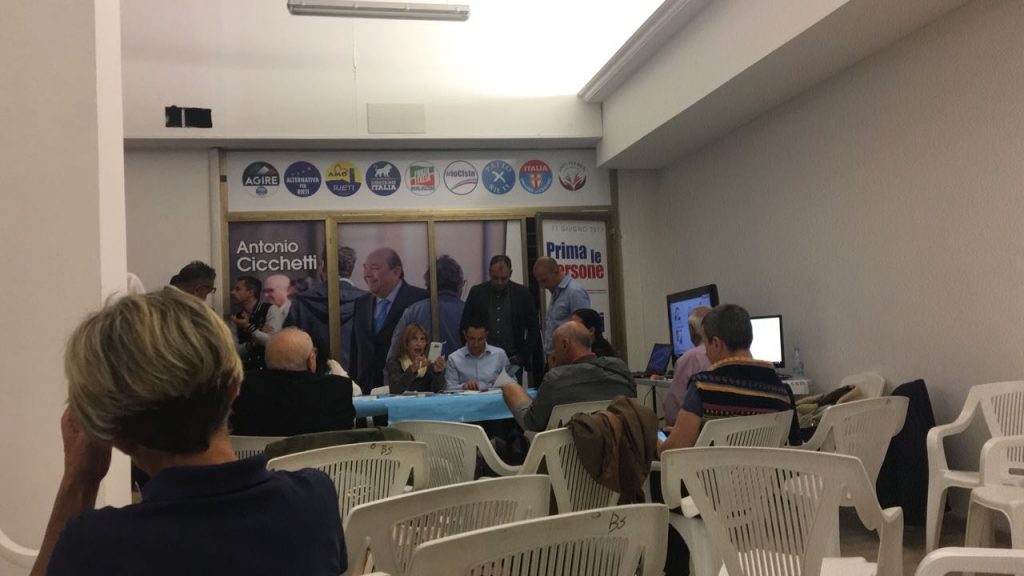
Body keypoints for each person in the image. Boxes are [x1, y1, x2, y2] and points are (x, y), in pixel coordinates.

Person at [31, 289, 346, 575]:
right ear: (234, 389)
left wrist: (78, 480)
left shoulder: (96, 546)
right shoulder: (314, 500)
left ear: (113, 433)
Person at [658, 304, 799, 454]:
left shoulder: (702, 388)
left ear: (717, 344)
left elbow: (674, 451)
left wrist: (657, 441)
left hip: (712, 469)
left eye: (706, 345)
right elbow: (794, 444)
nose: (706, 353)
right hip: (765, 468)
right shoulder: (782, 391)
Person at [502, 321, 635, 432]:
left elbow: (533, 425)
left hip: (563, 452)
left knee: (510, 388)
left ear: (565, 344)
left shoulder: (555, 379)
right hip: (615, 445)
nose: (553, 353)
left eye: (554, 347)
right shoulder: (619, 367)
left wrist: (553, 371)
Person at [231, 328, 355, 436]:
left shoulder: (243, 387)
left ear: (266, 359)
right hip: (323, 457)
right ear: (311, 360)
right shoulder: (338, 389)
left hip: (259, 457)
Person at [349, 247, 429, 394]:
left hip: (406, 392)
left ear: (396, 272)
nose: (367, 274)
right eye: (365, 268)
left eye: (375, 268)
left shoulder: (419, 300)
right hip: (366, 393)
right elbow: (356, 353)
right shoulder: (361, 304)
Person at [285, 246, 366, 370]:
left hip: (316, 373)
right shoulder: (368, 300)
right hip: (358, 373)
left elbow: (289, 342)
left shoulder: (303, 300)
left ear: (323, 265)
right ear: (352, 268)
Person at [461, 255, 540, 380]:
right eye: (495, 278)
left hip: (513, 359)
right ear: (489, 273)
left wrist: (523, 356)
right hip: (482, 358)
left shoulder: (522, 294)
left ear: (511, 273)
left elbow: (534, 328)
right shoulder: (477, 293)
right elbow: (464, 326)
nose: (499, 282)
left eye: (504, 278)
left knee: (512, 391)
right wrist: (470, 353)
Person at [387, 254, 466, 362]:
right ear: (459, 285)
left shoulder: (412, 312)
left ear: (428, 284)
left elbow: (393, 357)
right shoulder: (470, 312)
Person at [662, 305, 711, 427]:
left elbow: (672, 409)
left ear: (692, 329)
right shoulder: (729, 356)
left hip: (693, 432)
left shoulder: (690, 358)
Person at [532, 256, 591, 357]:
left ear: (556, 271)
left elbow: (582, 329)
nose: (542, 286)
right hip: (555, 355)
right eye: (539, 282)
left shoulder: (574, 292)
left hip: (569, 356)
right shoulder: (556, 292)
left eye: (544, 281)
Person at [445, 321, 510, 391]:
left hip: (494, 396)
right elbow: (449, 388)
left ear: (486, 335)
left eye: (480, 339)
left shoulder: (499, 355)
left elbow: (513, 382)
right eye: (472, 339)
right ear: (465, 335)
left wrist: (502, 383)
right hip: (466, 397)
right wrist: (464, 386)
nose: (476, 344)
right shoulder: (454, 358)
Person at [387, 323, 446, 394]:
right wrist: (411, 370)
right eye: (415, 339)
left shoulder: (430, 365)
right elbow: (395, 390)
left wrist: (437, 373)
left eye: (422, 339)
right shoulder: (395, 363)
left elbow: (439, 391)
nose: (419, 344)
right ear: (406, 343)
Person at [228, 275, 271, 371]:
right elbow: (234, 349)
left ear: (251, 292)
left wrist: (248, 326)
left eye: (238, 289)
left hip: (268, 369)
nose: (233, 292)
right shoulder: (237, 317)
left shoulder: (270, 310)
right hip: (245, 369)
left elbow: (272, 342)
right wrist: (255, 342)